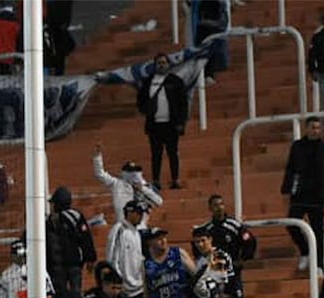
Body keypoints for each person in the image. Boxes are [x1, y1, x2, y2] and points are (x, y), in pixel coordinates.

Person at [280, 117, 324, 270]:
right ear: (306, 128)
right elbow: (290, 169)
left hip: (319, 195)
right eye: (312, 127)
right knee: (292, 225)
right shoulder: (297, 146)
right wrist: (286, 190)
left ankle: (319, 264)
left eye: (318, 127)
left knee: (318, 230)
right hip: (299, 194)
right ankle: (305, 252)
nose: (315, 130)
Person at [137, 53, 188, 190]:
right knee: (156, 154)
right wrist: (145, 110)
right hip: (154, 124)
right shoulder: (148, 82)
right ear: (155, 65)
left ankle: (175, 179)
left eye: (164, 62)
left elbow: (183, 104)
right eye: (159, 63)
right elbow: (141, 100)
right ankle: (156, 180)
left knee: (173, 152)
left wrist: (181, 123)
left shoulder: (175, 81)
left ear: (168, 64)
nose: (161, 65)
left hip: (171, 124)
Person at [92, 145, 163, 226]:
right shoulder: (116, 184)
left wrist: (142, 189)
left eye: (135, 171)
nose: (133, 174)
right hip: (122, 225)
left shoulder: (146, 187)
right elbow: (100, 174)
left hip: (141, 227)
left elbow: (159, 202)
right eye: (130, 171)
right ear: (124, 172)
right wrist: (97, 156)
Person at [46, 185, 97, 298]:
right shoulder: (75, 216)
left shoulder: (50, 220)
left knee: (60, 294)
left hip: (57, 266)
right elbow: (86, 238)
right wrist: (90, 258)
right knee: (75, 294)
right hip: (74, 263)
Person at [193, 194, 257, 270]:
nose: (219, 208)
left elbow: (250, 241)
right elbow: (197, 247)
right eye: (215, 205)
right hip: (214, 269)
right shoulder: (206, 229)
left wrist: (242, 260)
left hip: (233, 269)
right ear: (210, 208)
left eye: (221, 204)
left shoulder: (235, 225)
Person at [106, 200, 147, 298]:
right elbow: (112, 259)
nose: (141, 216)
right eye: (138, 213)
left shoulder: (136, 232)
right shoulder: (119, 230)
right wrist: (118, 283)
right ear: (130, 213)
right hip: (125, 289)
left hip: (139, 287)